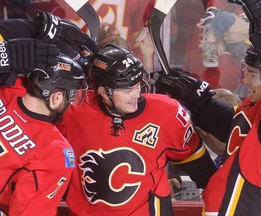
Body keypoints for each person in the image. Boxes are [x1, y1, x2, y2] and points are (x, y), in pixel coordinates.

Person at [56, 44, 217, 215]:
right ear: (103, 91)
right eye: (127, 89)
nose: (136, 94)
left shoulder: (166, 112)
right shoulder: (71, 108)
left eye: (137, 85)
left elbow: (203, 170)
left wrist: (217, 204)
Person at [0, 38, 88, 215]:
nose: (73, 104)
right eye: (73, 97)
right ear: (56, 97)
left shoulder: (4, 88)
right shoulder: (55, 151)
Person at [155, 45, 261, 215]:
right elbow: (232, 127)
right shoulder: (251, 106)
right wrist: (198, 100)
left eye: (253, 74)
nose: (245, 80)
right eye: (246, 71)